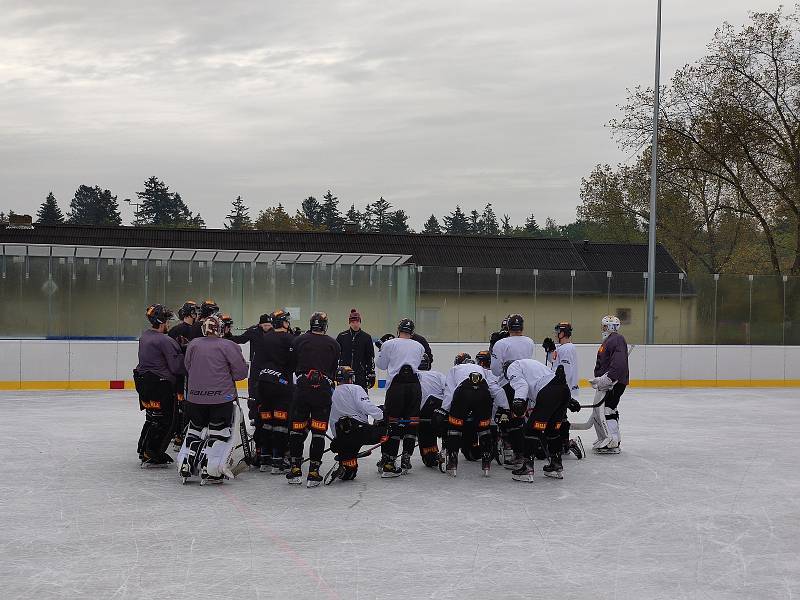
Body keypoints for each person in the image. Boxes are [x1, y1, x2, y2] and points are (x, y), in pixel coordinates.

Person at [178, 314, 249, 484]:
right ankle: (210, 469)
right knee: (218, 434)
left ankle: (186, 464)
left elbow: (187, 366)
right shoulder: (229, 345)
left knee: (194, 431)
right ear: (221, 329)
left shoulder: (193, 344)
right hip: (220, 399)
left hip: (194, 398)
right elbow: (240, 373)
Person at [287, 312, 340, 487]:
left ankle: (295, 469)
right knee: (318, 432)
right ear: (325, 325)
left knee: (296, 429)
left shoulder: (299, 340)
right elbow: (333, 369)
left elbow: (292, 363)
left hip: (302, 388)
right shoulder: (334, 344)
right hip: (322, 391)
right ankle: (313, 472)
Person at [438, 353, 505, 477]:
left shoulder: (455, 369)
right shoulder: (483, 370)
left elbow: (450, 393)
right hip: (483, 392)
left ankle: (452, 462)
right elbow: (496, 390)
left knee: (455, 428)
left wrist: (443, 410)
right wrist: (504, 408)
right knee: (484, 428)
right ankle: (486, 463)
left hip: (464, 391)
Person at [504, 358, 571, 482]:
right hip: (564, 390)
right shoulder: (533, 366)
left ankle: (527, 468)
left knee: (531, 430)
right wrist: (570, 401)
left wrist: (518, 401)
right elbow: (554, 381)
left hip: (548, 392)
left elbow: (521, 385)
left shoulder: (513, 366)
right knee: (552, 430)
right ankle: (556, 464)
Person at [134, 304, 185, 466]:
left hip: (143, 383)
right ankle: (153, 452)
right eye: (167, 321)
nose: (169, 324)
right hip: (160, 385)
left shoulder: (145, 336)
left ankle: (143, 449)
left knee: (152, 417)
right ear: (162, 321)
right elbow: (176, 366)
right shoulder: (165, 340)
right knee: (167, 420)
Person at [375, 318, 425, 477]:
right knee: (412, 421)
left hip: (396, 387)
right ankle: (406, 457)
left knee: (393, 422)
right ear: (412, 332)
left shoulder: (389, 344)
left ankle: (389, 461)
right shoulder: (419, 346)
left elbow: (381, 365)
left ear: (398, 330)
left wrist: (382, 350)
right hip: (414, 387)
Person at [250, 309, 295, 473]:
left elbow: (257, 361)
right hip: (281, 384)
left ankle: (265, 458)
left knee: (266, 422)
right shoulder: (290, 338)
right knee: (281, 423)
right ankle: (278, 459)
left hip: (263, 383)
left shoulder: (265, 336)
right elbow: (293, 363)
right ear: (283, 322)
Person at [489, 313, 535, 468]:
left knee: (509, 420)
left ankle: (517, 453)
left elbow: (495, 370)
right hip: (525, 384)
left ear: (508, 327)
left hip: (508, 384)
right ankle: (523, 451)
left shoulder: (501, 344)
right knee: (521, 418)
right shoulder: (529, 342)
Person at [326, 366, 386, 483]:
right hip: (358, 432)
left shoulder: (333, 392)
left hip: (341, 436)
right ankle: (388, 461)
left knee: (350, 473)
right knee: (389, 429)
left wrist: (337, 439)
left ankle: (346, 463)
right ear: (350, 377)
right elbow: (366, 406)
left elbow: (332, 418)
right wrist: (382, 416)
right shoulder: (355, 388)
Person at [228, 312, 275, 454]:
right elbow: (240, 339)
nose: (267, 327)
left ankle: (269, 415)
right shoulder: (253, 331)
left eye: (269, 325)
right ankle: (254, 416)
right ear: (260, 324)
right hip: (256, 367)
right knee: (253, 393)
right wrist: (227, 337)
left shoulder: (274, 333)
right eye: (265, 325)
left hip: (270, 366)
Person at [542, 322, 585, 459]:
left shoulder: (567, 349)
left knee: (559, 416)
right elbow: (555, 362)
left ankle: (566, 443)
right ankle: (563, 443)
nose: (555, 334)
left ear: (563, 333)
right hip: (560, 387)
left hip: (561, 388)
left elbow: (566, 370)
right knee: (559, 415)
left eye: (557, 332)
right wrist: (549, 350)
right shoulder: (563, 348)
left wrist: (563, 389)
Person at [588, 315, 629, 454]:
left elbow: (618, 363)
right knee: (607, 409)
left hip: (613, 383)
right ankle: (607, 438)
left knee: (608, 410)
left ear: (611, 327)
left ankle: (612, 441)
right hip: (610, 382)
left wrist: (608, 379)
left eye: (605, 326)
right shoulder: (610, 340)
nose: (603, 329)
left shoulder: (616, 339)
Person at [167, 300, 200, 449]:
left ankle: (178, 434)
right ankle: (180, 434)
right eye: (194, 312)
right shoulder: (190, 330)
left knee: (182, 404)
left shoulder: (176, 330)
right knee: (183, 405)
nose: (196, 314)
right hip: (184, 374)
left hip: (182, 373)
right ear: (189, 313)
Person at [416, 354, 446, 468]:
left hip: (422, 414)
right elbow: (448, 391)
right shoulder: (438, 375)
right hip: (440, 411)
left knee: (425, 431)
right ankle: (446, 450)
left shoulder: (413, 376)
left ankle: (430, 455)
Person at [336, 308, 376, 391]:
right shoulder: (342, 336)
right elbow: (336, 354)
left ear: (360, 322)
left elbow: (370, 357)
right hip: (344, 374)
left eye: (357, 322)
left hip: (360, 374)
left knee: (360, 398)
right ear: (349, 323)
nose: (355, 324)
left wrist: (371, 373)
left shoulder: (366, 337)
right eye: (353, 322)